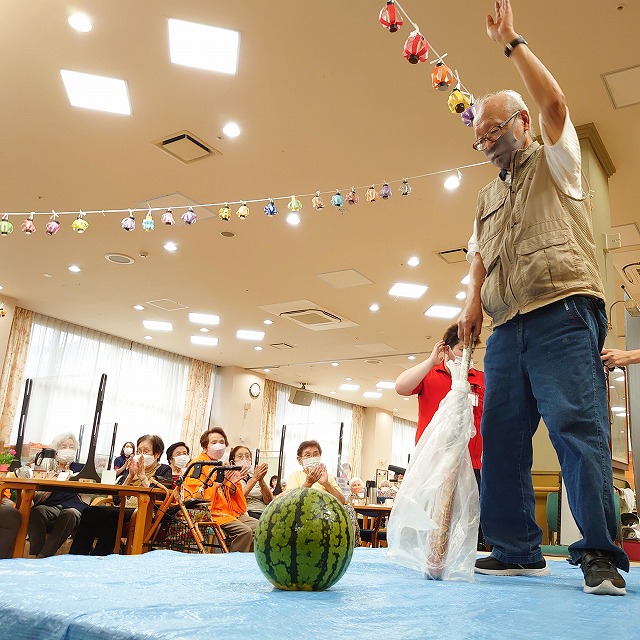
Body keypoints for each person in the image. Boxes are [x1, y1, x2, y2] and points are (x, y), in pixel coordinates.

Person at [457, 0, 628, 595]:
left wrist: (512, 42)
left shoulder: (558, 159)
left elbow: (557, 104)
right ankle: (514, 548)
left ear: (521, 123)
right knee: (501, 436)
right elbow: (478, 252)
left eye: (494, 130)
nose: (486, 143)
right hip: (507, 328)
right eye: (479, 139)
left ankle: (599, 554)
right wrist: (471, 303)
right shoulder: (485, 197)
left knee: (577, 428)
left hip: (563, 309)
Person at [395, 323, 485, 548]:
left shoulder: (480, 379)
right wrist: (430, 362)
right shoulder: (430, 374)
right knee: (430, 522)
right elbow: (400, 387)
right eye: (462, 349)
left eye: (471, 351)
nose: (467, 356)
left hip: (469, 465)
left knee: (466, 523)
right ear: (447, 349)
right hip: (432, 464)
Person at [70, 435, 172, 555]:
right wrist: (130, 476)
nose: (141, 455)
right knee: (90, 511)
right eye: (139, 451)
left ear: (157, 454)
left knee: (113, 514)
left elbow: (158, 497)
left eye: (146, 451)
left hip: (145, 511)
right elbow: (117, 500)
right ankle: (77, 554)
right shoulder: (132, 468)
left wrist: (143, 476)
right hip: (124, 507)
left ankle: (100, 555)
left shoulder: (164, 470)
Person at [183, 428, 258, 552]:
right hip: (211, 513)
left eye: (222, 442)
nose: (218, 445)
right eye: (214, 442)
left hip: (228, 512)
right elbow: (195, 496)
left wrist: (232, 485)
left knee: (262, 527)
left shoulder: (222, 466)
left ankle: (253, 563)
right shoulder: (197, 465)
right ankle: (234, 565)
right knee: (245, 532)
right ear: (205, 447)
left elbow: (234, 500)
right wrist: (217, 485)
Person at [28, 433, 87, 557]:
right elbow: (36, 496)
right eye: (64, 446)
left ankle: (43, 555)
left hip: (73, 506)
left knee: (70, 514)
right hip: (51, 505)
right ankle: (36, 552)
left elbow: (88, 494)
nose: (68, 450)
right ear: (56, 449)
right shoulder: (47, 466)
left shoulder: (80, 468)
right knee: (37, 511)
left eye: (71, 447)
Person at [229, 446, 273, 519]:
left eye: (247, 456)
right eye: (240, 457)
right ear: (232, 462)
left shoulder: (254, 475)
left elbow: (269, 501)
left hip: (264, 511)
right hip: (247, 512)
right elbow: (238, 499)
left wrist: (261, 480)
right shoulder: (231, 478)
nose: (244, 459)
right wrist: (255, 479)